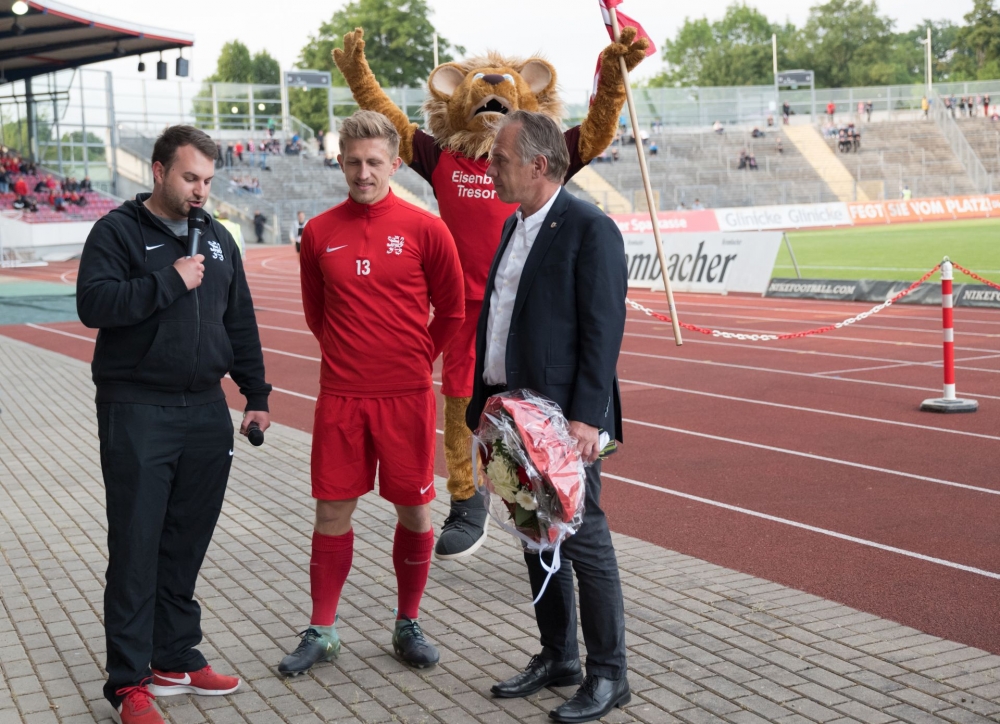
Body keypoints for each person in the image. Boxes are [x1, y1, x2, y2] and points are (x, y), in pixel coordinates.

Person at [75, 125, 271, 724]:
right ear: (158, 171)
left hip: (206, 409)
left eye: (207, 180)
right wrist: (170, 279)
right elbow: (94, 304)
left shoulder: (218, 238)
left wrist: (256, 393)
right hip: (137, 406)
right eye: (190, 178)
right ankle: (129, 682)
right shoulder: (116, 231)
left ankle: (175, 656)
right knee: (136, 547)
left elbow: (239, 319)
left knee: (186, 541)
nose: (200, 191)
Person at [277, 111, 464, 676]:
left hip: (406, 396)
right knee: (332, 509)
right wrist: (351, 357)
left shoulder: (427, 229)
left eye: (374, 162)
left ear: (395, 164)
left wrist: (415, 359)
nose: (364, 173)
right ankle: (322, 629)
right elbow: (317, 314)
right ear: (339, 162)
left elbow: (452, 311)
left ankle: (408, 622)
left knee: (415, 509)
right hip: (342, 396)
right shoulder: (318, 232)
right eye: (354, 162)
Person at [467, 110, 628, 723]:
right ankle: (559, 656)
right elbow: (500, 321)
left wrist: (586, 418)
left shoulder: (590, 228)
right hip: (512, 413)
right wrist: (482, 401)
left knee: (584, 540)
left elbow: (602, 330)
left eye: (499, 160)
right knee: (536, 535)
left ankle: (609, 675)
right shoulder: (515, 226)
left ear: (538, 165)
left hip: (563, 423)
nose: (489, 169)